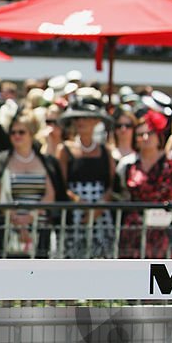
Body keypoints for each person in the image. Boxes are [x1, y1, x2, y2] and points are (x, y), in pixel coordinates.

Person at [0, 111, 57, 258]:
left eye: (21, 132)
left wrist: (31, 217)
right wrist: (18, 222)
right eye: (13, 132)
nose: (16, 136)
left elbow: (50, 194)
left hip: (38, 229)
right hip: (7, 230)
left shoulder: (45, 161)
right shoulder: (1, 161)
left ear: (31, 133)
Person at [116, 111, 172, 258]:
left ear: (158, 135)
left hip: (165, 226)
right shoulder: (127, 164)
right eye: (140, 135)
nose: (145, 138)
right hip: (134, 228)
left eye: (150, 133)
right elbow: (120, 193)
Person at [57, 97, 115, 258]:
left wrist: (99, 207)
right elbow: (61, 184)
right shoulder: (65, 149)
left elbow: (112, 185)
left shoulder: (105, 151)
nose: (81, 121)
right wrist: (79, 203)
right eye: (77, 118)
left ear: (96, 121)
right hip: (75, 212)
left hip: (101, 213)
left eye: (85, 117)